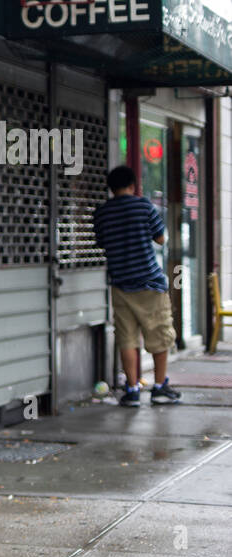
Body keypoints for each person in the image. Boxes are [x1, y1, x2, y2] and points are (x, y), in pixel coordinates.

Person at [92, 166, 180, 407]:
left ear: (111, 188)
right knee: (159, 334)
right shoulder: (143, 206)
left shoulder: (102, 212)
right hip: (149, 282)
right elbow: (160, 238)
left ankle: (132, 390)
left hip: (120, 283)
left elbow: (101, 241)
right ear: (132, 185)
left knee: (127, 337)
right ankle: (160, 387)